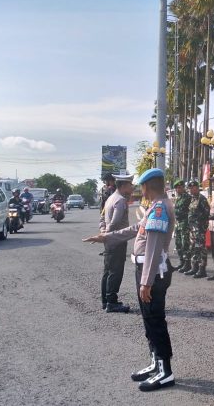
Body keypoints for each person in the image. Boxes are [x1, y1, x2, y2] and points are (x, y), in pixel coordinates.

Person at [83, 168, 176, 392]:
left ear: (147, 187)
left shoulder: (160, 207)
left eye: (140, 186)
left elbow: (153, 247)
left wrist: (146, 282)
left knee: (154, 319)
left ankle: (165, 371)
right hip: (147, 269)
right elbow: (136, 229)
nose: (138, 190)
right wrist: (105, 237)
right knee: (148, 318)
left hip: (152, 271)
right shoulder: (155, 206)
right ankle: (156, 362)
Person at [98, 174, 133, 313]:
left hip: (109, 240)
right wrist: (108, 234)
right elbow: (115, 222)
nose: (132, 187)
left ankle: (105, 300)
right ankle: (111, 302)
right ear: (123, 186)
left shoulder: (110, 199)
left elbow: (102, 218)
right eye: (130, 185)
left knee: (107, 270)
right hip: (117, 240)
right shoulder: (120, 200)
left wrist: (103, 233)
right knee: (115, 271)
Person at [186, 180, 210, 278]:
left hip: (199, 229)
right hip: (192, 229)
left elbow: (207, 213)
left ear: (197, 187)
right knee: (193, 248)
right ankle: (194, 267)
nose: (191, 190)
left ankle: (202, 269)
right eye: (190, 188)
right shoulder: (192, 199)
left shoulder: (202, 199)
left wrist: (202, 227)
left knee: (201, 249)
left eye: (193, 187)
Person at [171, 179, 192, 273]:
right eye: (176, 188)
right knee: (178, 244)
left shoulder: (187, 197)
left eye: (180, 187)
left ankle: (187, 264)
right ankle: (182, 262)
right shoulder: (177, 198)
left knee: (185, 244)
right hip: (178, 223)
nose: (178, 189)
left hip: (185, 223)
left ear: (183, 187)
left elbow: (190, 210)